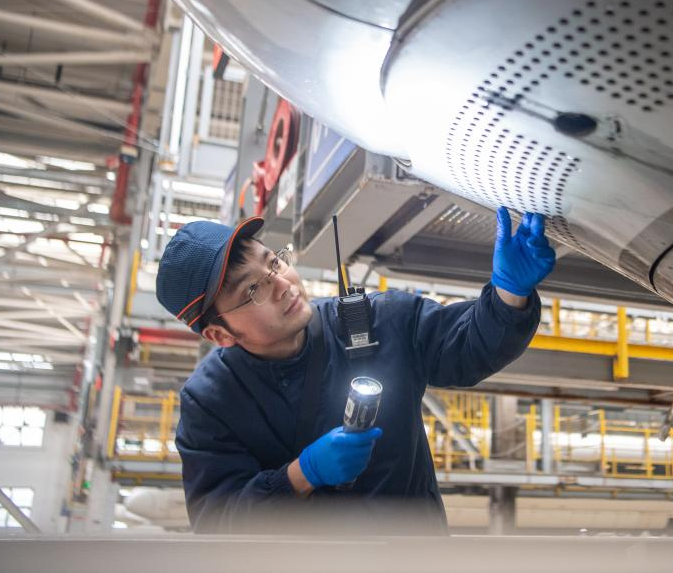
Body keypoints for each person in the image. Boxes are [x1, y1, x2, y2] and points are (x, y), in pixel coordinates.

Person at [155, 207, 555, 534]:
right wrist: (300, 475)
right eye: (253, 290)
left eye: (274, 263)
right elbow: (219, 523)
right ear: (220, 334)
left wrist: (509, 292)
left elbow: (468, 349)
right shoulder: (211, 402)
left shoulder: (379, 322)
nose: (283, 284)